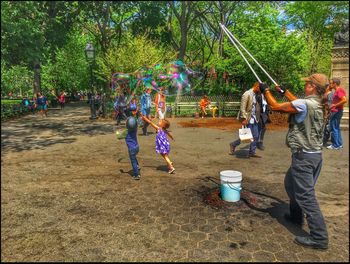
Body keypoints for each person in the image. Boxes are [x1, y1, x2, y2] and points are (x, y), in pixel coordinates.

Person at [259, 73, 329, 250]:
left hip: (303, 157)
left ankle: (319, 238)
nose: (305, 86)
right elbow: (299, 103)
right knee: (290, 184)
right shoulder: (319, 103)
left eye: (307, 84)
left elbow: (275, 106)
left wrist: (265, 91)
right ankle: (296, 217)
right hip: (314, 156)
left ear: (312, 87)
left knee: (306, 197)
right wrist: (286, 92)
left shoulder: (304, 104)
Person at [229, 82, 262, 158]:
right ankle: (233, 144)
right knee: (246, 136)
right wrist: (244, 118)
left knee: (256, 136)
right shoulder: (247, 94)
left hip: (255, 118)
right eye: (260, 88)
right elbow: (242, 107)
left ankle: (252, 152)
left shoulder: (257, 95)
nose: (261, 90)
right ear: (256, 87)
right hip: (248, 118)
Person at [327, 78, 347, 150]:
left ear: (335, 84)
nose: (330, 85)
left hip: (336, 111)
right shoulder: (336, 90)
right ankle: (339, 144)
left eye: (331, 83)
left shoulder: (339, 90)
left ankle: (335, 145)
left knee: (334, 128)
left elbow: (344, 100)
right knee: (336, 128)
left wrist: (335, 105)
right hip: (337, 111)